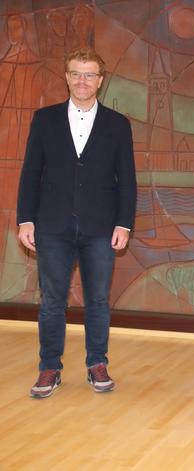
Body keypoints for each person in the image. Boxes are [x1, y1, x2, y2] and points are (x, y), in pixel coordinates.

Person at [17, 48, 137, 398]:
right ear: (66, 77)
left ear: (101, 80)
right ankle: (49, 368)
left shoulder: (118, 124)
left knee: (98, 300)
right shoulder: (44, 119)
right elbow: (30, 174)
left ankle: (97, 363)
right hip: (51, 226)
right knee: (52, 301)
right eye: (76, 73)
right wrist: (26, 219)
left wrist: (124, 224)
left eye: (89, 75)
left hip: (101, 228)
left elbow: (126, 180)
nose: (82, 80)